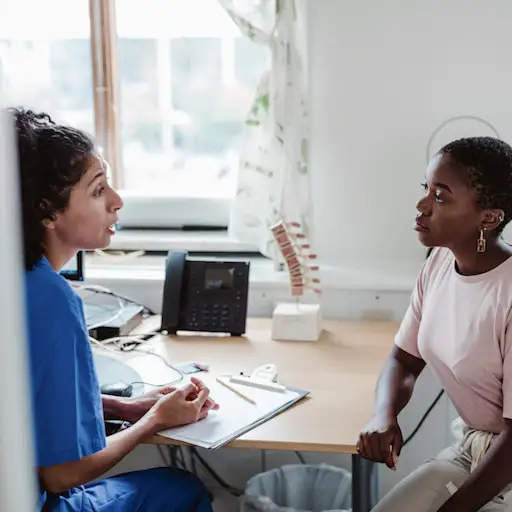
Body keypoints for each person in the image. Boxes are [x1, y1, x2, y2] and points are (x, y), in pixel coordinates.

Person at [14, 107, 218, 512]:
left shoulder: (17, 282)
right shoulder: (51, 300)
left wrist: (124, 408)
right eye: (97, 190)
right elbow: (63, 474)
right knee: (182, 488)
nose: (116, 201)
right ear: (48, 212)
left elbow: (23, 403)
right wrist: (153, 422)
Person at [357, 136, 512, 512]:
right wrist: (384, 415)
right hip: (473, 450)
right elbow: (403, 360)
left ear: (489, 217)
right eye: (425, 189)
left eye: (440, 197)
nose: (422, 205)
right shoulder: (440, 264)